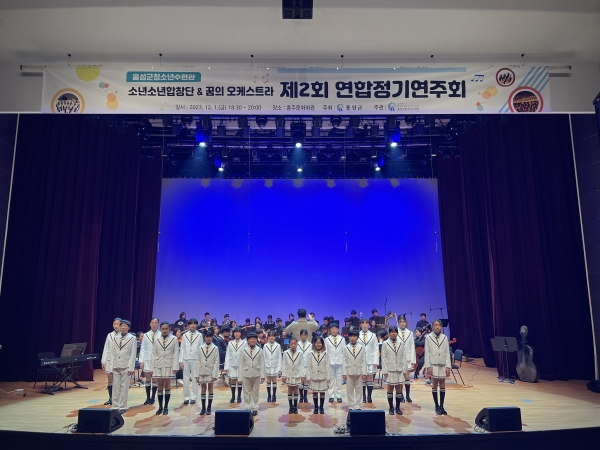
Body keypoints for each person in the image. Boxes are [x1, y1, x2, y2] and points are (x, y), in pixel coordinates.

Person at [149, 321, 179, 415]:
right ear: (160, 329)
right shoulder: (157, 339)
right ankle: (160, 407)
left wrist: (175, 366)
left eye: (166, 329)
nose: (164, 330)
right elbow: (153, 354)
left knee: (167, 387)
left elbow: (176, 353)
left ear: (169, 329)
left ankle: (166, 407)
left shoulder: (174, 339)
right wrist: (151, 367)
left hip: (169, 365)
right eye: (163, 329)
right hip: (158, 364)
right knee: (160, 386)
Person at [108, 320, 136, 414]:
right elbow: (112, 353)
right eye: (122, 326)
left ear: (128, 328)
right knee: (115, 387)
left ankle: (123, 406)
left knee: (124, 387)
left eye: (125, 326)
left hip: (126, 365)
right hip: (116, 365)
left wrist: (131, 368)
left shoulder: (132, 338)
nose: (123, 327)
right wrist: (111, 367)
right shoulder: (115, 338)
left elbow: (133, 354)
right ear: (120, 327)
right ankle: (115, 406)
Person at [424, 319, 452, 415]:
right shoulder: (428, 337)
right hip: (433, 363)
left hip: (443, 363)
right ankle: (436, 406)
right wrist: (428, 366)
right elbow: (427, 353)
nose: (437, 327)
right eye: (435, 325)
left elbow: (447, 353)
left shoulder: (444, 337)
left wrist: (448, 366)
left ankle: (442, 406)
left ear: (441, 327)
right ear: (433, 326)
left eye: (439, 325)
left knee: (443, 384)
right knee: (435, 384)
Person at [381, 325, 407, 415]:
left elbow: (404, 356)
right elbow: (383, 357)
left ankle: (398, 407)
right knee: (390, 388)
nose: (393, 333)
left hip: (399, 369)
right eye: (392, 332)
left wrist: (404, 369)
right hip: (390, 369)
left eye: (395, 332)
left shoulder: (401, 343)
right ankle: (391, 407)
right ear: (389, 333)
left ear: (397, 333)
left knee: (399, 388)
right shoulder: (385, 344)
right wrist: (384, 370)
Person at [239, 332, 265, 416]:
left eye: (254, 339)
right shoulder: (243, 351)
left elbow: (262, 363)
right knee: (246, 391)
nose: (252, 340)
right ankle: (247, 406)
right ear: (247, 340)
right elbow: (241, 364)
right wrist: (239, 377)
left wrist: (263, 375)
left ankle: (255, 407)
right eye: (250, 339)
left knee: (255, 391)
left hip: (256, 373)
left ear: (256, 340)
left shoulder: (260, 350)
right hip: (246, 373)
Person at [195, 329, 220, 416]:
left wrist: (215, 374)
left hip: (210, 371)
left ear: (212, 337)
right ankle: (203, 407)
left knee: (210, 387)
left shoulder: (215, 348)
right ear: (204, 337)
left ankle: (209, 407)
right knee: (203, 387)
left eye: (210, 337)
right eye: (207, 337)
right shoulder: (200, 348)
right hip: (202, 370)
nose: (208, 338)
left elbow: (216, 362)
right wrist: (196, 374)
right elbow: (198, 361)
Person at [179, 318, 203, 405]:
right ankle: (186, 397)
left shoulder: (199, 335)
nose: (193, 325)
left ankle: (193, 397)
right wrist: (180, 361)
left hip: (195, 359)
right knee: (185, 378)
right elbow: (182, 348)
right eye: (191, 324)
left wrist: (200, 361)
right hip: (185, 359)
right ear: (188, 325)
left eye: (194, 324)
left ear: (196, 325)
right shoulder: (185, 335)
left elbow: (201, 348)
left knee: (195, 378)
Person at [342, 327, 367, 411]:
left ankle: (359, 406)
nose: (352, 338)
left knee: (359, 389)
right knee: (350, 390)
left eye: (354, 336)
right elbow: (344, 360)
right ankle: (351, 406)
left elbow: (364, 360)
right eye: (351, 336)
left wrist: (364, 373)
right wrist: (344, 373)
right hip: (349, 371)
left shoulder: (361, 347)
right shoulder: (345, 348)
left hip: (359, 371)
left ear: (357, 337)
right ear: (348, 337)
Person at [305, 336, 329, 414]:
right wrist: (308, 376)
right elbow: (309, 365)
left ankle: (321, 407)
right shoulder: (311, 353)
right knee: (315, 392)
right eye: (316, 343)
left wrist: (328, 377)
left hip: (323, 375)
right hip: (314, 375)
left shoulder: (325, 353)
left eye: (320, 343)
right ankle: (315, 407)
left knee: (322, 392)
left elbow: (327, 365)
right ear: (314, 344)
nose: (318, 344)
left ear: (322, 344)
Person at [101, 317, 122, 406]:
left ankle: (117, 399)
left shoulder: (123, 335)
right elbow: (106, 348)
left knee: (118, 381)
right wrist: (103, 361)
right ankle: (110, 398)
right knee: (110, 380)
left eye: (118, 324)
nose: (116, 326)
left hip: (119, 360)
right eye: (114, 324)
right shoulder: (109, 335)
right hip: (109, 360)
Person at [357, 319, 378, 403]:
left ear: (368, 325)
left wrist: (376, 361)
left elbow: (376, 348)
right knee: (362, 378)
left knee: (370, 378)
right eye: (363, 323)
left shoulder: (373, 335)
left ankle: (369, 396)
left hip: (370, 359)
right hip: (360, 360)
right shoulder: (357, 335)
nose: (365, 325)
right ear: (360, 325)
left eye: (366, 323)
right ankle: (363, 396)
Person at [139, 317, 160, 405]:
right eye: (152, 323)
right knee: (148, 379)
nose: (154, 324)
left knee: (154, 379)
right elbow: (143, 348)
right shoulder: (146, 335)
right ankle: (147, 398)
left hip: (157, 360)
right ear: (150, 324)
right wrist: (141, 361)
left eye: (156, 323)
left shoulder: (161, 334)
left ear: (158, 324)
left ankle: (153, 397)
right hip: (147, 359)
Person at [224, 327, 247, 403]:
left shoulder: (244, 342)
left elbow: (246, 354)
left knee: (240, 381)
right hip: (232, 364)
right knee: (233, 380)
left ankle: (239, 396)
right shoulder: (230, 343)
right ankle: (233, 396)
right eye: (235, 332)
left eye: (238, 332)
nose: (237, 333)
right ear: (233, 333)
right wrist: (226, 366)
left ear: (241, 333)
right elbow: (227, 355)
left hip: (241, 364)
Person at [281, 337, 303, 414]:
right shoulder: (285, 352)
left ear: (297, 344)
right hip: (288, 373)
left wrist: (302, 374)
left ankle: (295, 406)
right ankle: (291, 406)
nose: (293, 345)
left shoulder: (300, 353)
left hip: (297, 373)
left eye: (295, 344)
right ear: (289, 344)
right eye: (291, 344)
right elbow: (284, 364)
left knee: (296, 389)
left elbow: (301, 364)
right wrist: (283, 375)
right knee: (290, 389)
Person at [397, 315, 416, 403]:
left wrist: (412, 360)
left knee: (407, 377)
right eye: (400, 322)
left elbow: (412, 346)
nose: (402, 324)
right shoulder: (395, 332)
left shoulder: (410, 333)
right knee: (400, 377)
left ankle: (408, 395)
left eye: (403, 322)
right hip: (399, 359)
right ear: (398, 323)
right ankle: (400, 395)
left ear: (406, 323)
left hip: (408, 358)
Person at [325, 322, 344, 403]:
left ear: (338, 329)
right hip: (330, 361)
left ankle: (339, 395)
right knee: (331, 379)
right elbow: (325, 351)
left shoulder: (342, 339)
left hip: (339, 361)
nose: (334, 330)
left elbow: (344, 351)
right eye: (332, 328)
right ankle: (331, 395)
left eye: (335, 328)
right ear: (329, 330)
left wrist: (344, 362)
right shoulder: (327, 339)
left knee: (339, 380)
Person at [263, 330, 282, 403]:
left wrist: (279, 368)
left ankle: (274, 395)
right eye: (270, 336)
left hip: (275, 365)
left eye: (273, 336)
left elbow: (280, 356)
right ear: (268, 337)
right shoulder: (265, 346)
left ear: (275, 337)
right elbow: (263, 356)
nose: (271, 337)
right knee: (268, 381)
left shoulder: (278, 345)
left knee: (274, 380)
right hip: (267, 365)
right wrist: (264, 366)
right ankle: (269, 395)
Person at [297, 329, 311, 404]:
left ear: (307, 336)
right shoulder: (297, 344)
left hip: (307, 364)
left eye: (305, 335)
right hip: (299, 365)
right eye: (302, 335)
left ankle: (305, 396)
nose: (303, 336)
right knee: (300, 381)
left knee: (306, 381)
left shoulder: (310, 345)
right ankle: (301, 396)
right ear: (300, 336)